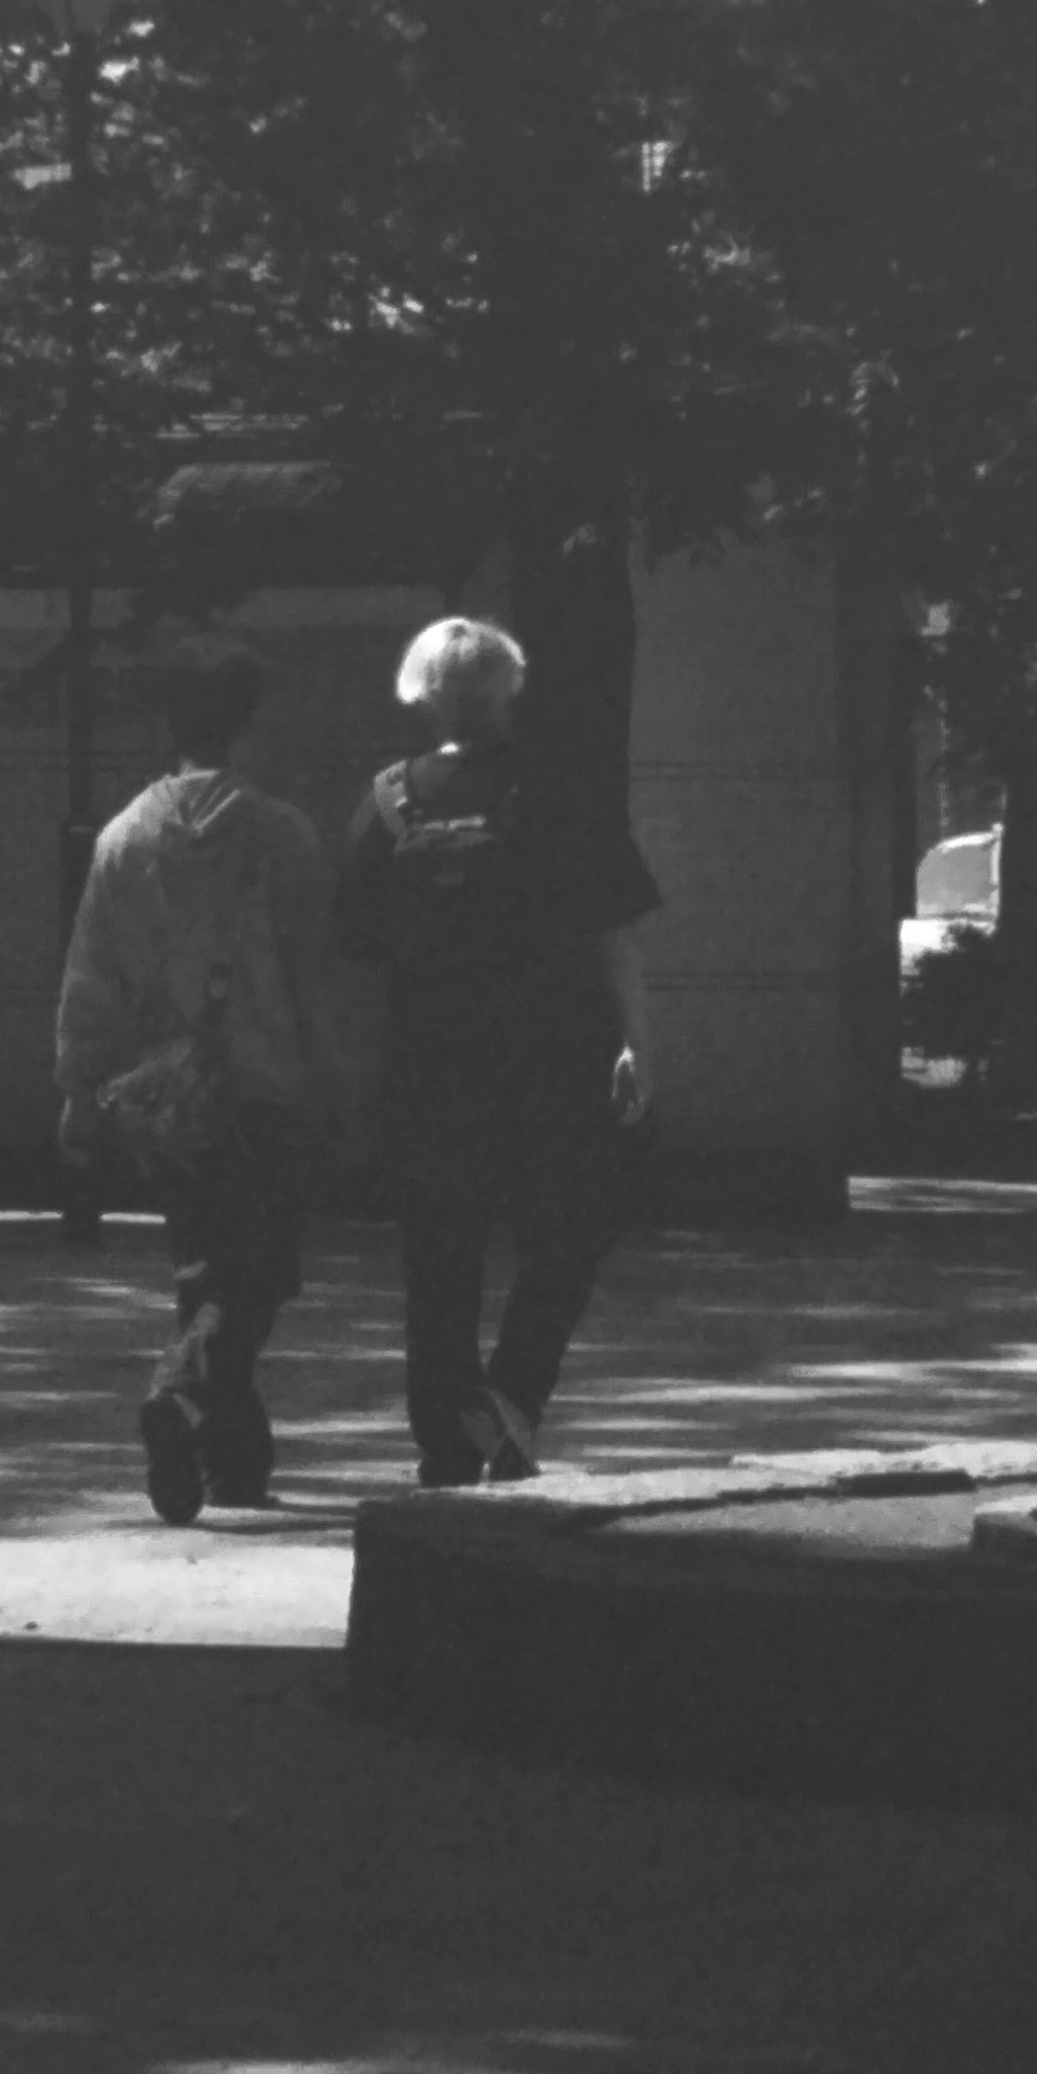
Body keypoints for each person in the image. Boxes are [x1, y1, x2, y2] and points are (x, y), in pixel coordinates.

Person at [336, 612, 659, 1488]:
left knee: (439, 1259)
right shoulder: (561, 791)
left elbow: (356, 958)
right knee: (571, 1232)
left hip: (430, 1065)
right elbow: (616, 931)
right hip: (553, 1056)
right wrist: (637, 1042)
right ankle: (512, 1395)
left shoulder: (385, 802)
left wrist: (363, 1076)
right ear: (509, 690)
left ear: (419, 696)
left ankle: (444, 1443)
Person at [54, 643, 336, 1521]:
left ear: (165, 724)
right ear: (248, 722)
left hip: (164, 1099)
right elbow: (316, 978)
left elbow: (91, 978)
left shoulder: (122, 838)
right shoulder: (282, 835)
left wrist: (79, 1092)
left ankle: (230, 1467)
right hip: (265, 1087)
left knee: (204, 1268)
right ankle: (180, 1395)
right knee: (258, 1276)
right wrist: (339, 1082)